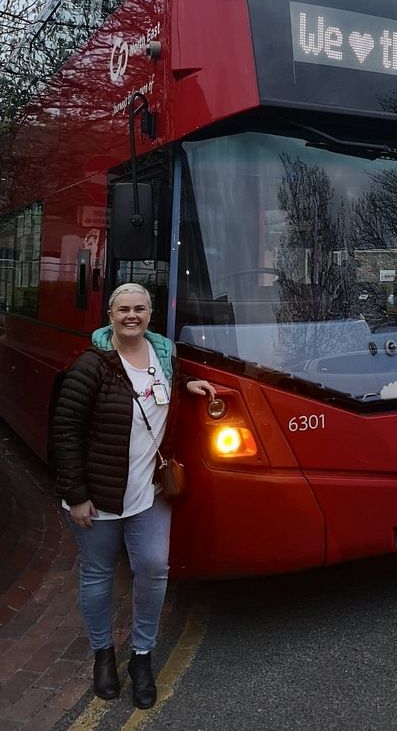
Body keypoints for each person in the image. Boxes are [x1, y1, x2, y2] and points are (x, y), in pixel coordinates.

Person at [54, 283, 216, 708]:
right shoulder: (92, 365)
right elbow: (66, 430)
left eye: (139, 308)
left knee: (153, 568)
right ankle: (103, 656)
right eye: (123, 308)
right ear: (110, 314)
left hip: (150, 491)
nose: (132, 315)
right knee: (97, 574)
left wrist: (189, 386)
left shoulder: (163, 355)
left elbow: (162, 395)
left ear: (149, 313)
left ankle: (141, 656)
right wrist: (76, 495)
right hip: (100, 494)